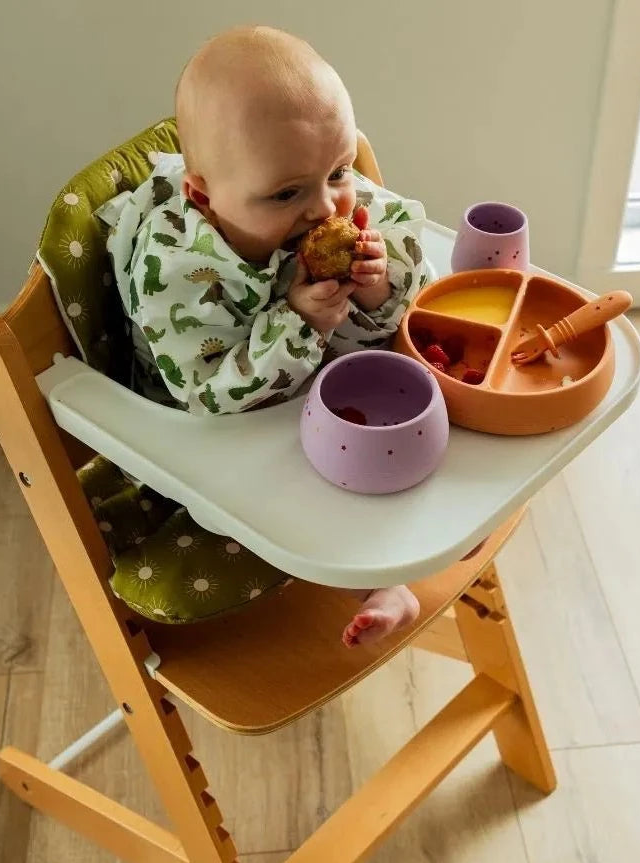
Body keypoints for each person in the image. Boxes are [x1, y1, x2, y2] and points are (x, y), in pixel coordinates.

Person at [103, 25, 430, 646]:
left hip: (324, 390)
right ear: (203, 197)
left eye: (340, 169)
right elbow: (209, 394)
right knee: (315, 490)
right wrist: (301, 323)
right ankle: (374, 580)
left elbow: (410, 302)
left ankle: (419, 537)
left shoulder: (328, 195)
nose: (327, 211)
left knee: (421, 430)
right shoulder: (177, 266)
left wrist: (377, 287)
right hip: (223, 429)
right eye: (287, 193)